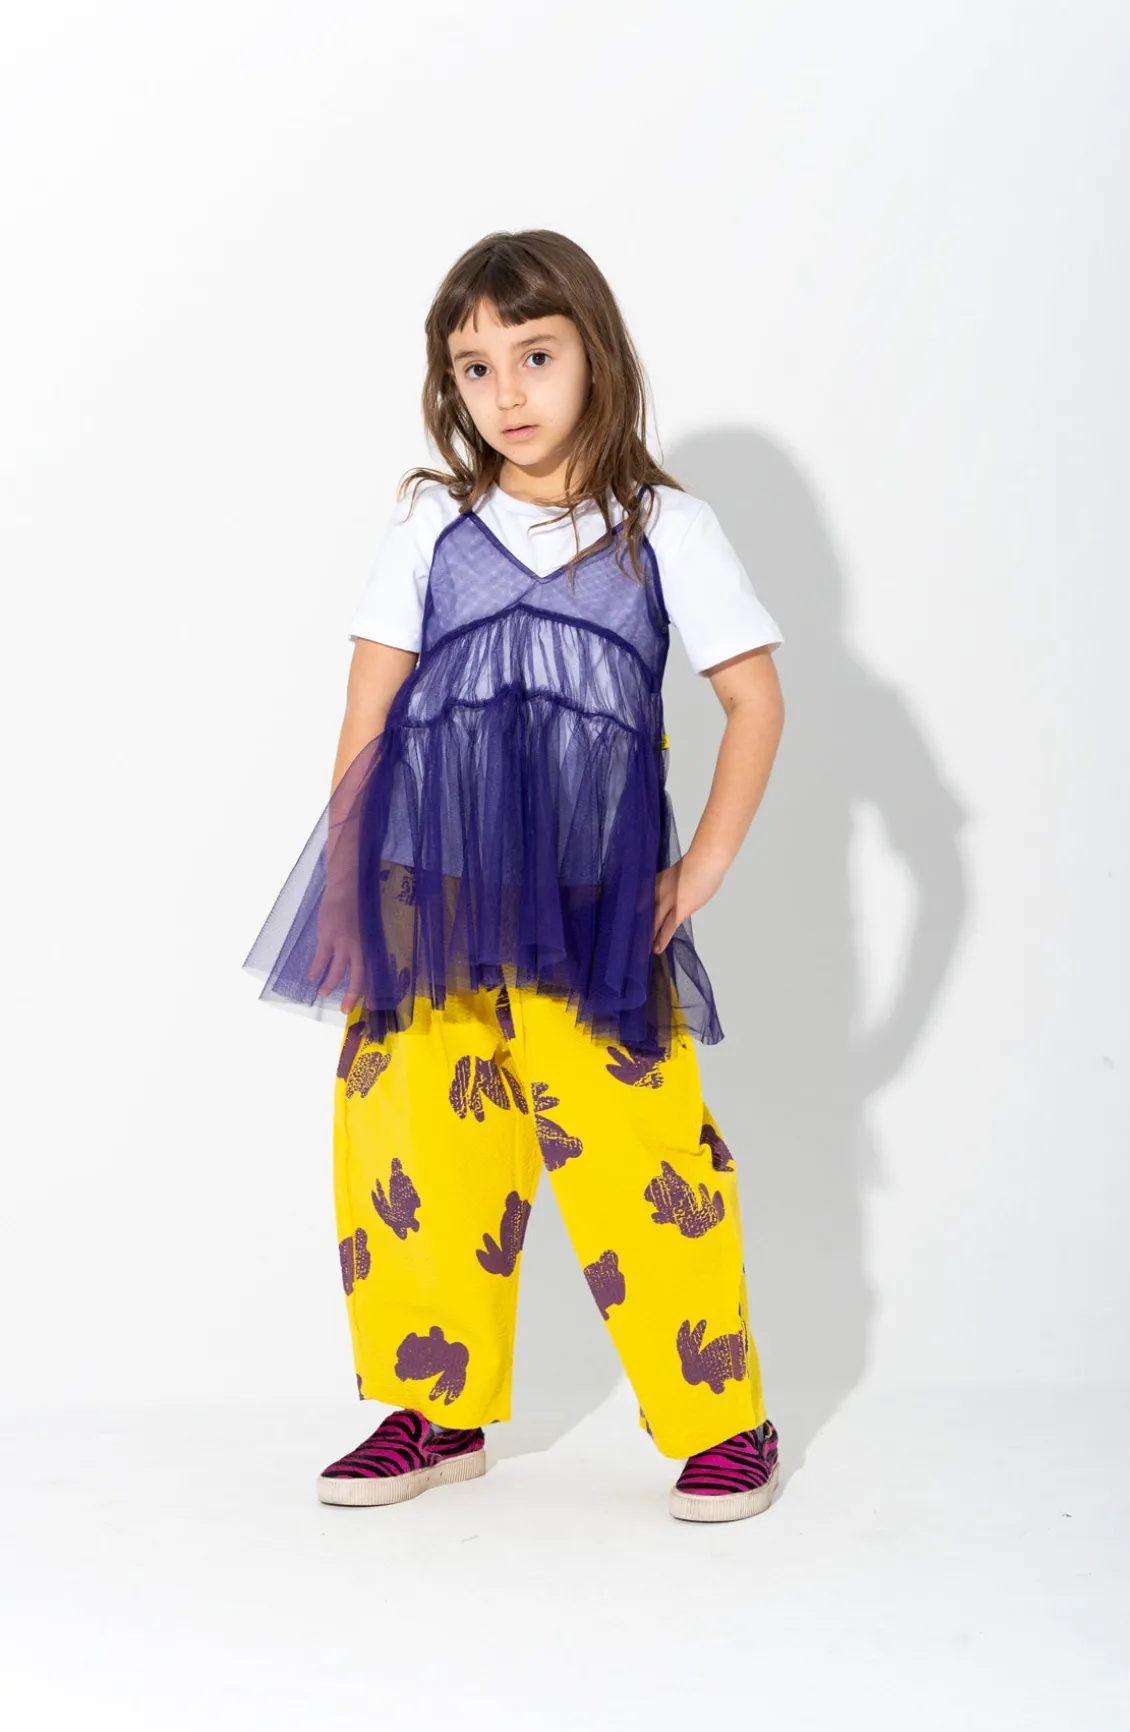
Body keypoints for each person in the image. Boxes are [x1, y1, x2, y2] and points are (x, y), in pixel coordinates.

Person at [243, 228, 787, 1524]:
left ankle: (724, 1420)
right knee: (414, 1151)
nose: (508, 394)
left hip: (595, 912)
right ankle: (432, 1410)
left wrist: (703, 866)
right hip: (428, 895)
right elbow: (370, 709)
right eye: (476, 368)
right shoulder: (431, 522)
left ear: (596, 351)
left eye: (535, 356)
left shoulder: (666, 529)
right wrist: (346, 886)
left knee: (643, 1157)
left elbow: (754, 701)